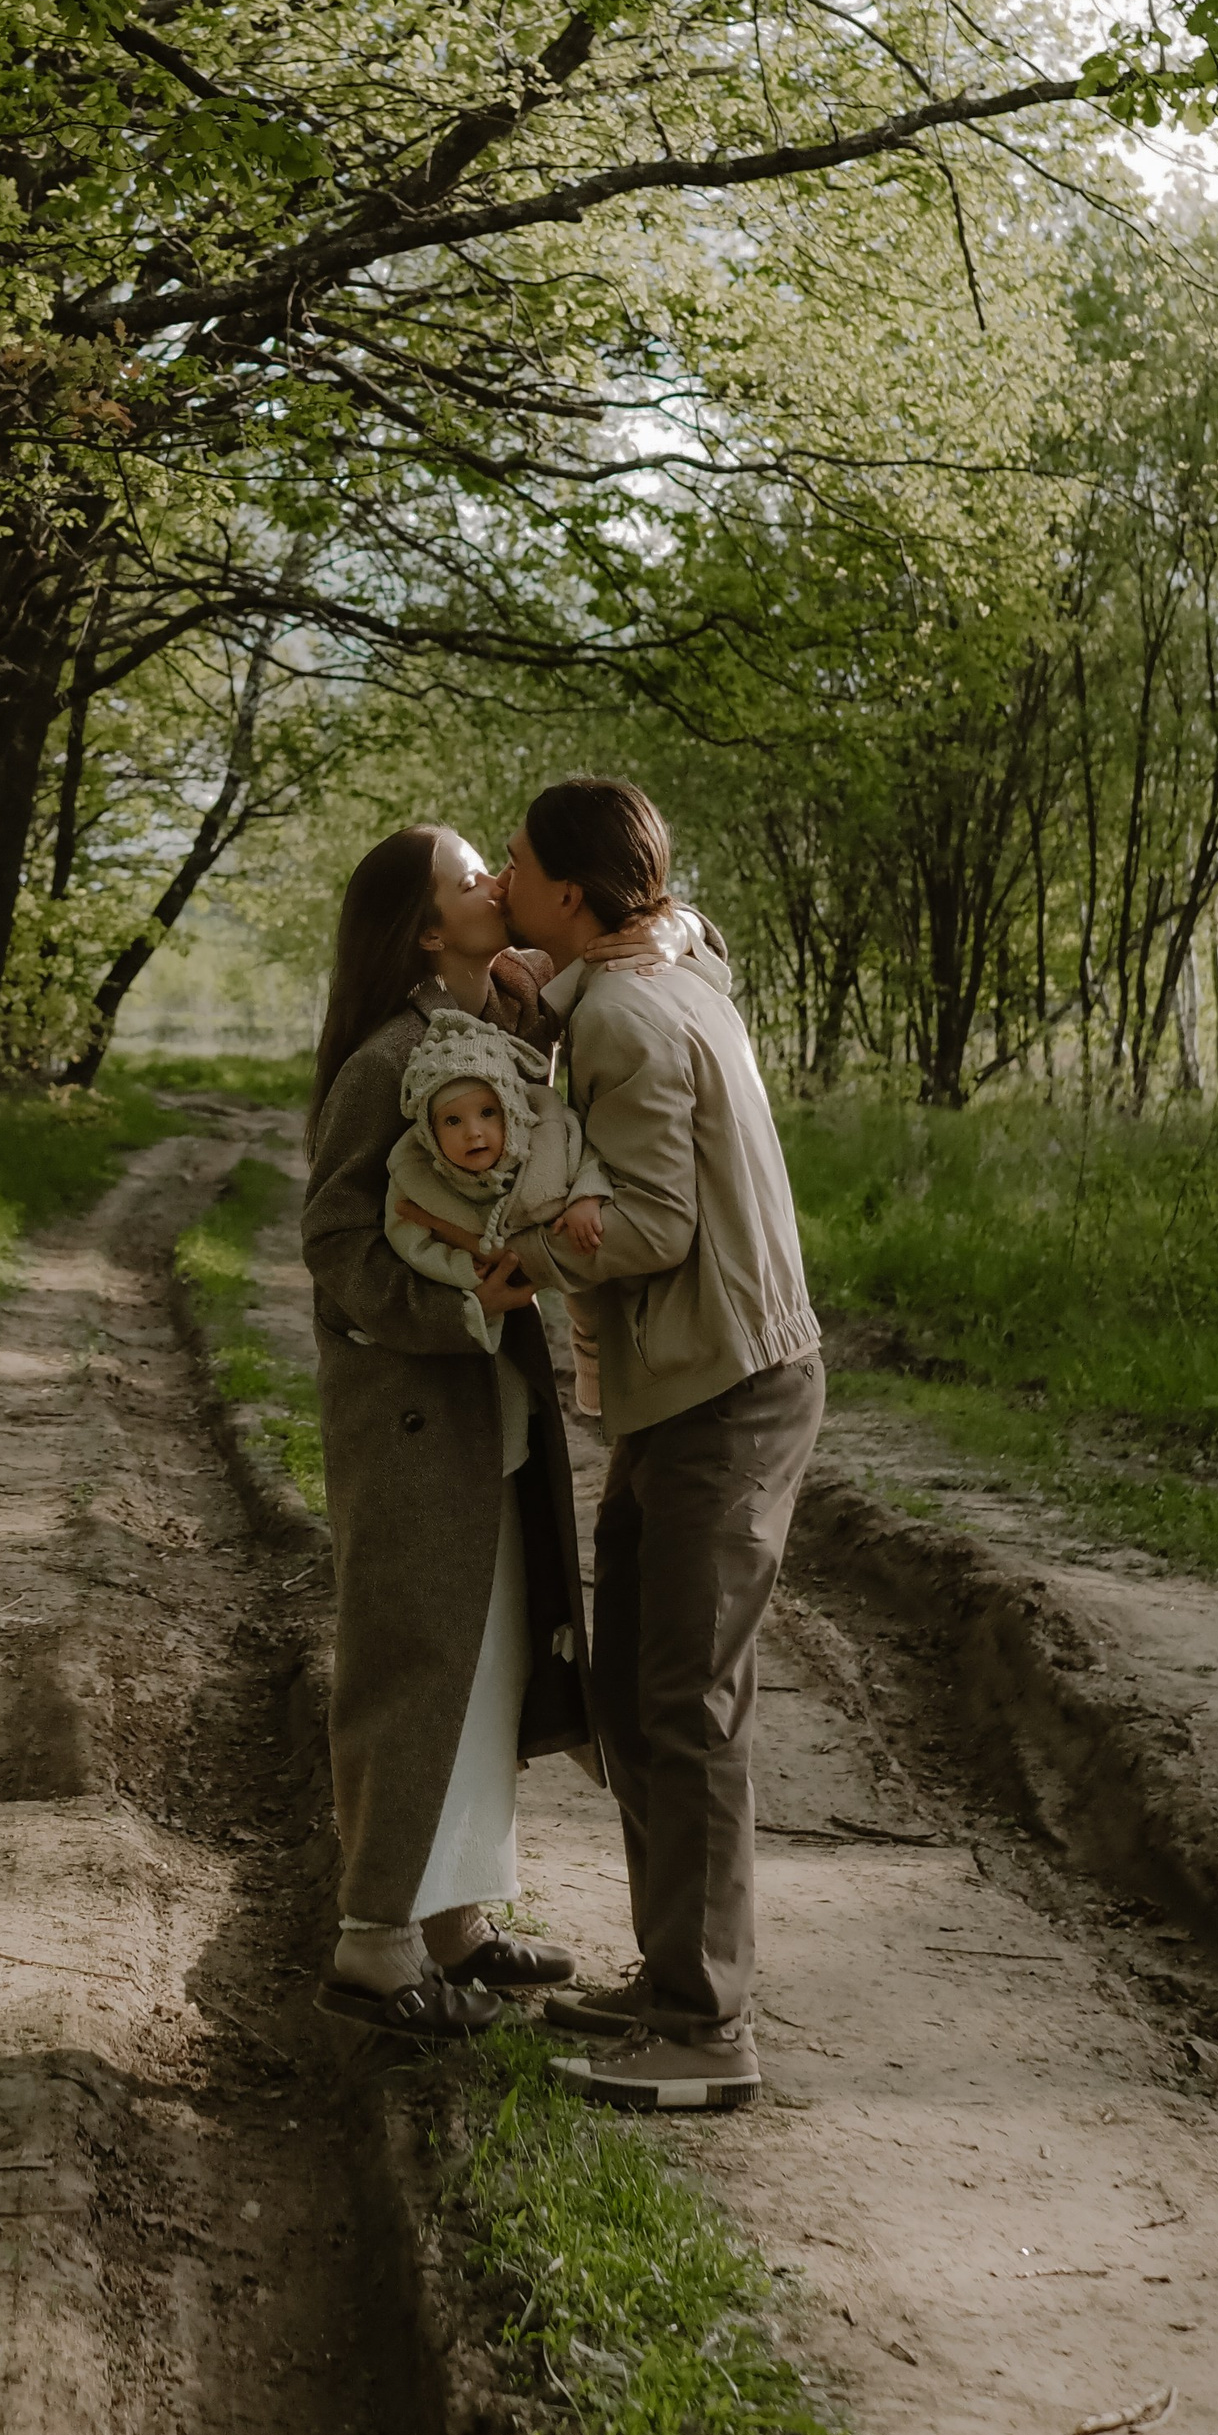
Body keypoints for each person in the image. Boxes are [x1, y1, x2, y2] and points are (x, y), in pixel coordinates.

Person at [499, 775, 824, 2111]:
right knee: (634, 1681)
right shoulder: (661, 964)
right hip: (691, 1387)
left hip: (720, 1395)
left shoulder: (625, 1013)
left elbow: (648, 1231)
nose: (499, 888)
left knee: (682, 1704)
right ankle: (673, 1971)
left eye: (513, 867)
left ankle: (704, 2027)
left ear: (569, 895)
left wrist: (518, 1232)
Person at [299, 825, 593, 2040]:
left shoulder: (489, 1032)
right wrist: (454, 1304)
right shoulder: (389, 1057)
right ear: (425, 930)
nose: (492, 883)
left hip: (489, 1400)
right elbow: (333, 1243)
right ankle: (373, 1938)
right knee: (412, 1658)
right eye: (468, 876)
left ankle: (457, 1915)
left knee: (488, 1656)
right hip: (417, 1406)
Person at [383, 1011, 613, 1413]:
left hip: (552, 1232)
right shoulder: (418, 1177)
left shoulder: (547, 1137)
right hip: (486, 1273)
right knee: (489, 1362)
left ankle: (595, 1367)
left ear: (511, 1110)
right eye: (453, 1121)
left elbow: (590, 1156)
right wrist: (457, 1268)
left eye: (488, 1113)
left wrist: (586, 1198)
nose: (474, 1131)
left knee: (590, 1294)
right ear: (430, 1134)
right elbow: (407, 1237)